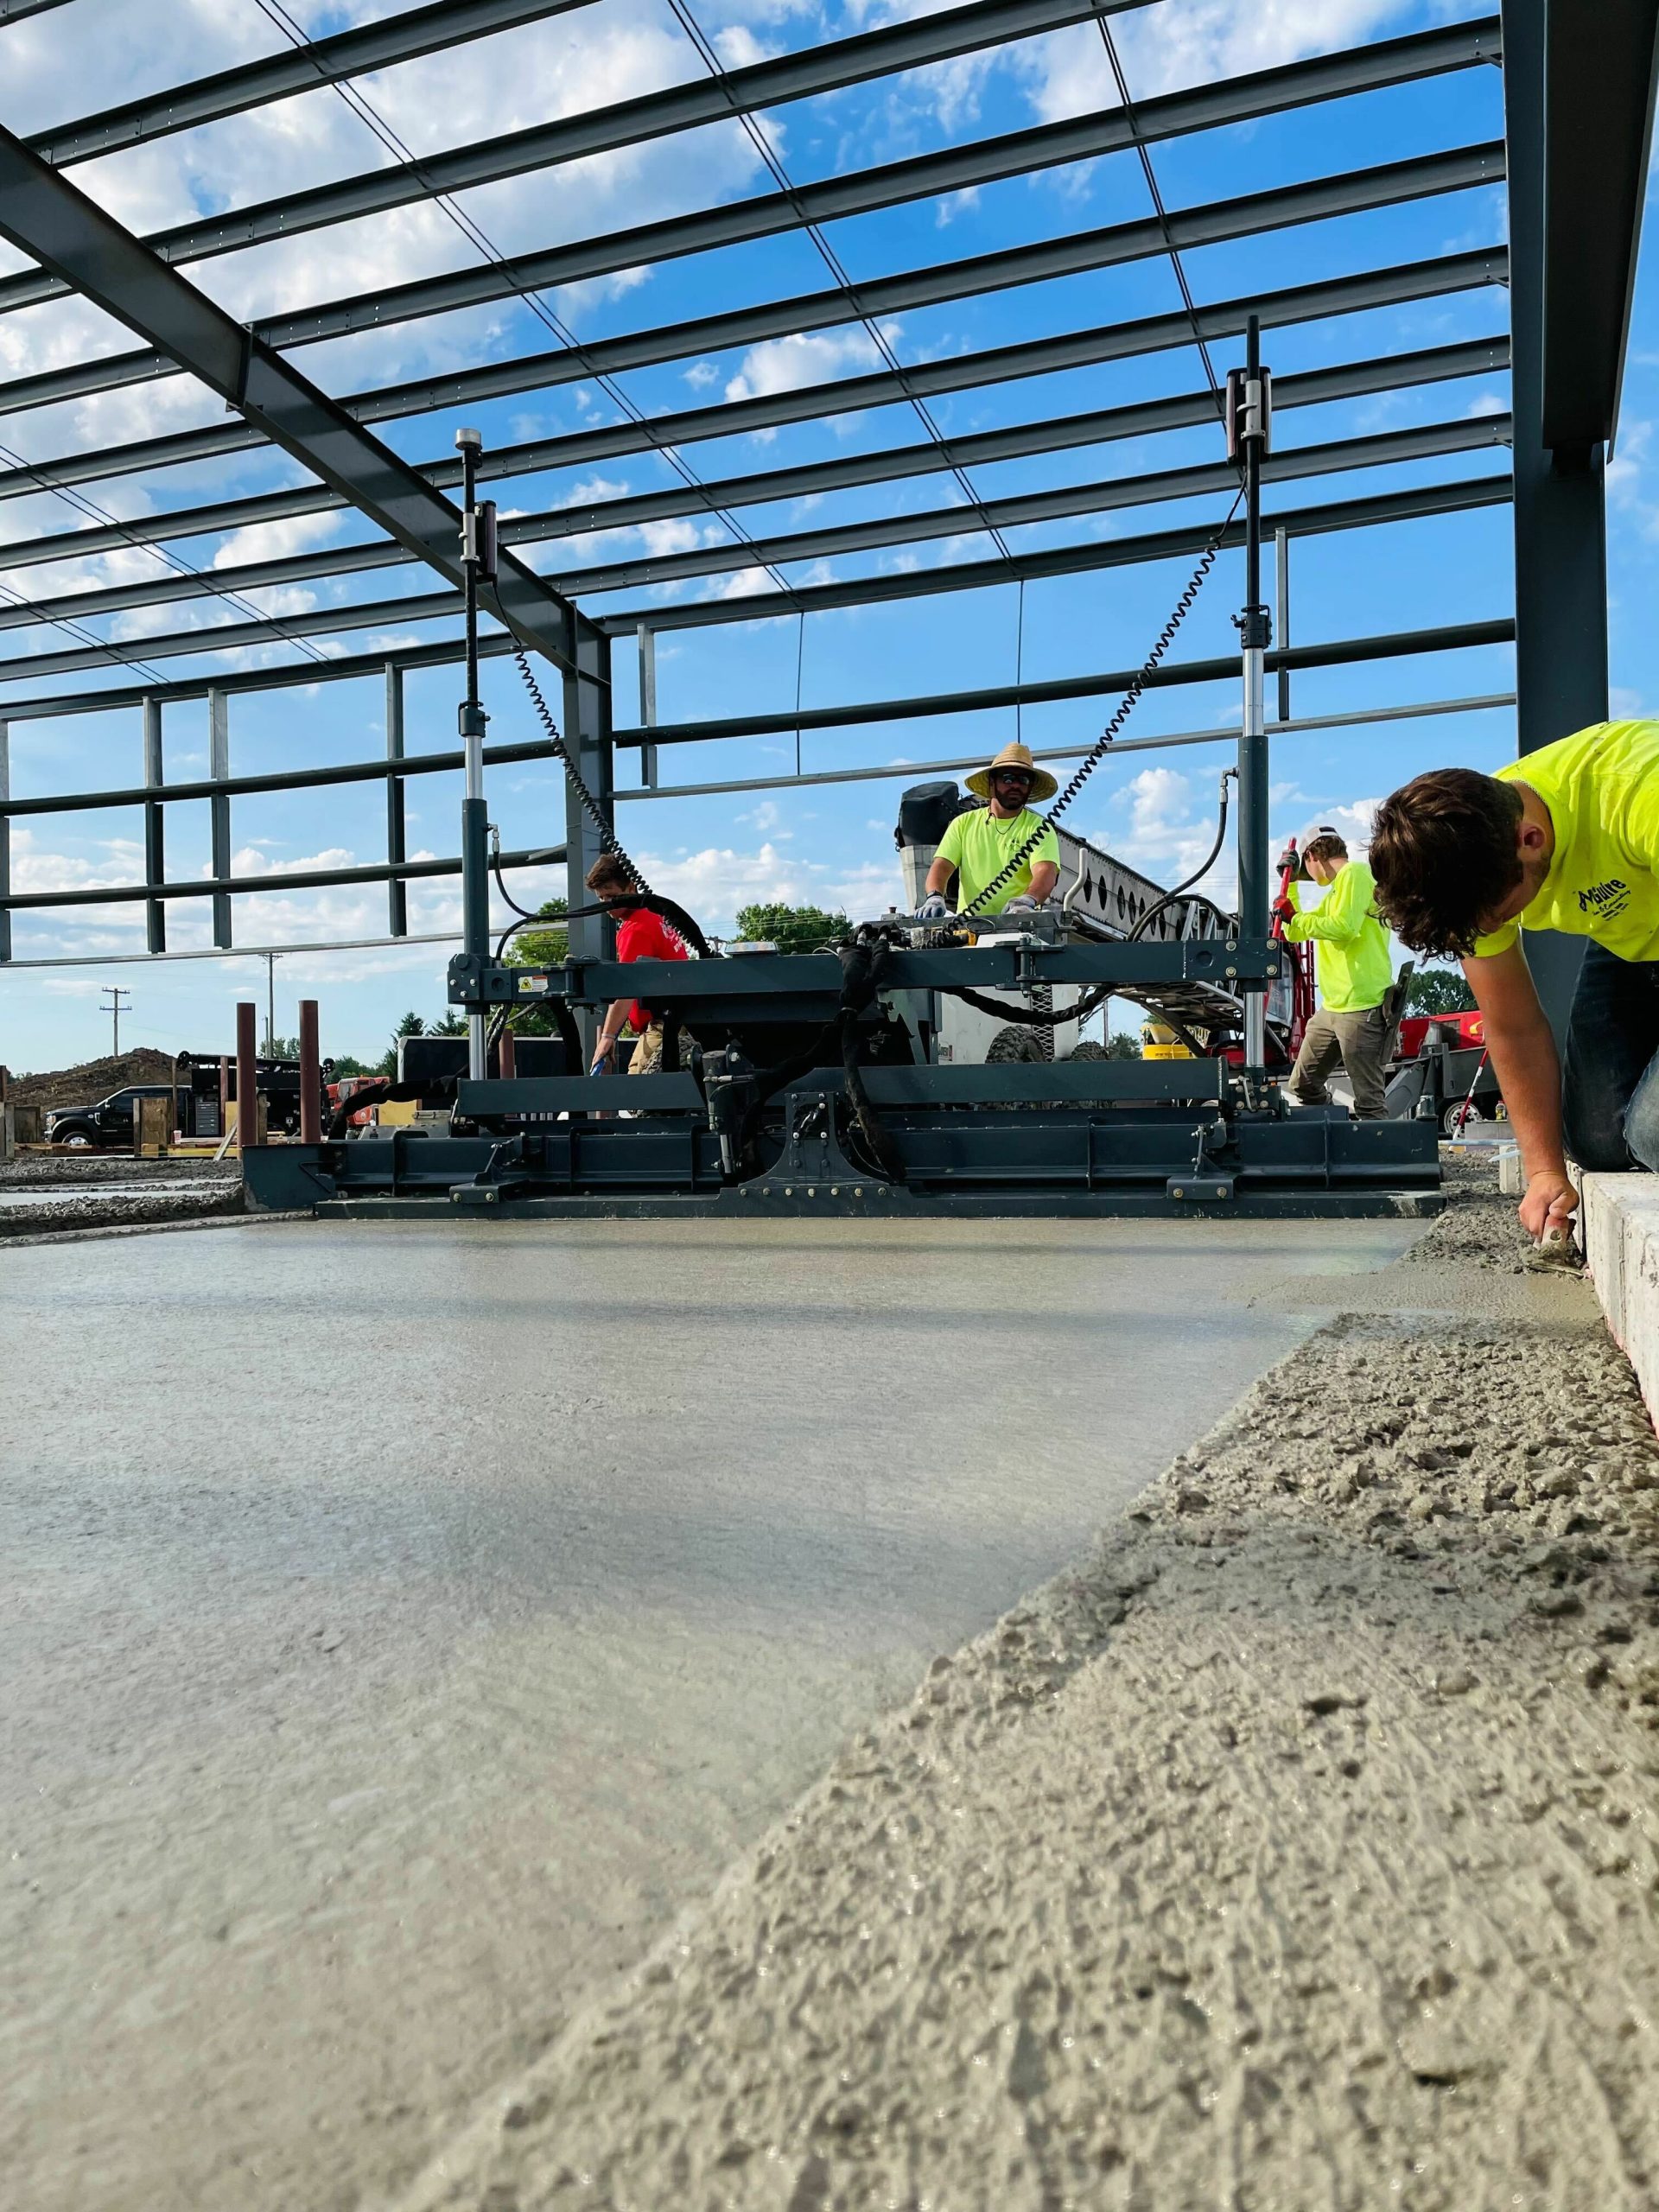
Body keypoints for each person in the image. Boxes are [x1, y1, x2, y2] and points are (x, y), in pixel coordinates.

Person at [1368, 719, 1659, 1242]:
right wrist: (1544, 1172)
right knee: (1593, 1142)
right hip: (1632, 936)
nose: (1489, 935)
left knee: (1652, 1134)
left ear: (1532, 839)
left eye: (1497, 919)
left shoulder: (1638, 790)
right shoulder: (1474, 855)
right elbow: (1513, 1027)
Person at [1276, 829, 1395, 1119]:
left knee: (1368, 1101)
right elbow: (1294, 932)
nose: (1311, 879)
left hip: (1362, 1005)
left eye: (1307, 871)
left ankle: (1377, 1159)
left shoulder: (1355, 874)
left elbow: (1344, 928)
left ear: (1313, 856)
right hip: (1332, 1008)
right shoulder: (1335, 894)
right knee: (1302, 1084)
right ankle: (1337, 1132)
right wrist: (1290, 886)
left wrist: (1294, 915)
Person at [917, 742, 1061, 921]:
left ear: (1030, 787)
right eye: (1008, 779)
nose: (1015, 785)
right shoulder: (962, 823)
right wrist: (935, 896)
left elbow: (1045, 872)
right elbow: (942, 865)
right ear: (992, 783)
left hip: (1017, 927)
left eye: (1023, 780)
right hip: (968, 929)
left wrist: (1027, 900)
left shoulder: (1040, 828)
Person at [584, 855, 696, 1077]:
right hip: (684, 1022)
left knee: (639, 1087)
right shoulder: (657, 916)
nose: (608, 905)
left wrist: (607, 1037)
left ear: (631, 887)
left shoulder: (635, 928)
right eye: (602, 898)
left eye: (613, 896)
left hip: (663, 1025)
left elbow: (627, 988)